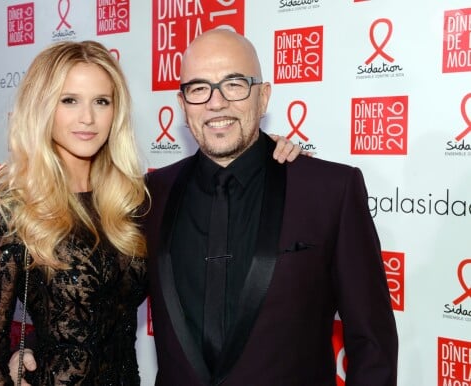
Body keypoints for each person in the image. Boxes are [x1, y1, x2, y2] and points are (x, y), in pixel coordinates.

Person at [0, 40, 301, 385]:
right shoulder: (12, 210)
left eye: (102, 101)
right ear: (42, 107)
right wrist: (19, 354)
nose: (88, 118)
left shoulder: (135, 199)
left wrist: (267, 156)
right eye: (69, 100)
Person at [142, 29, 399, 385]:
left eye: (234, 84)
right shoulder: (151, 194)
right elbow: (100, 299)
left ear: (263, 97)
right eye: (199, 88)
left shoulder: (329, 191)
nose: (216, 103)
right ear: (182, 103)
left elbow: (373, 344)